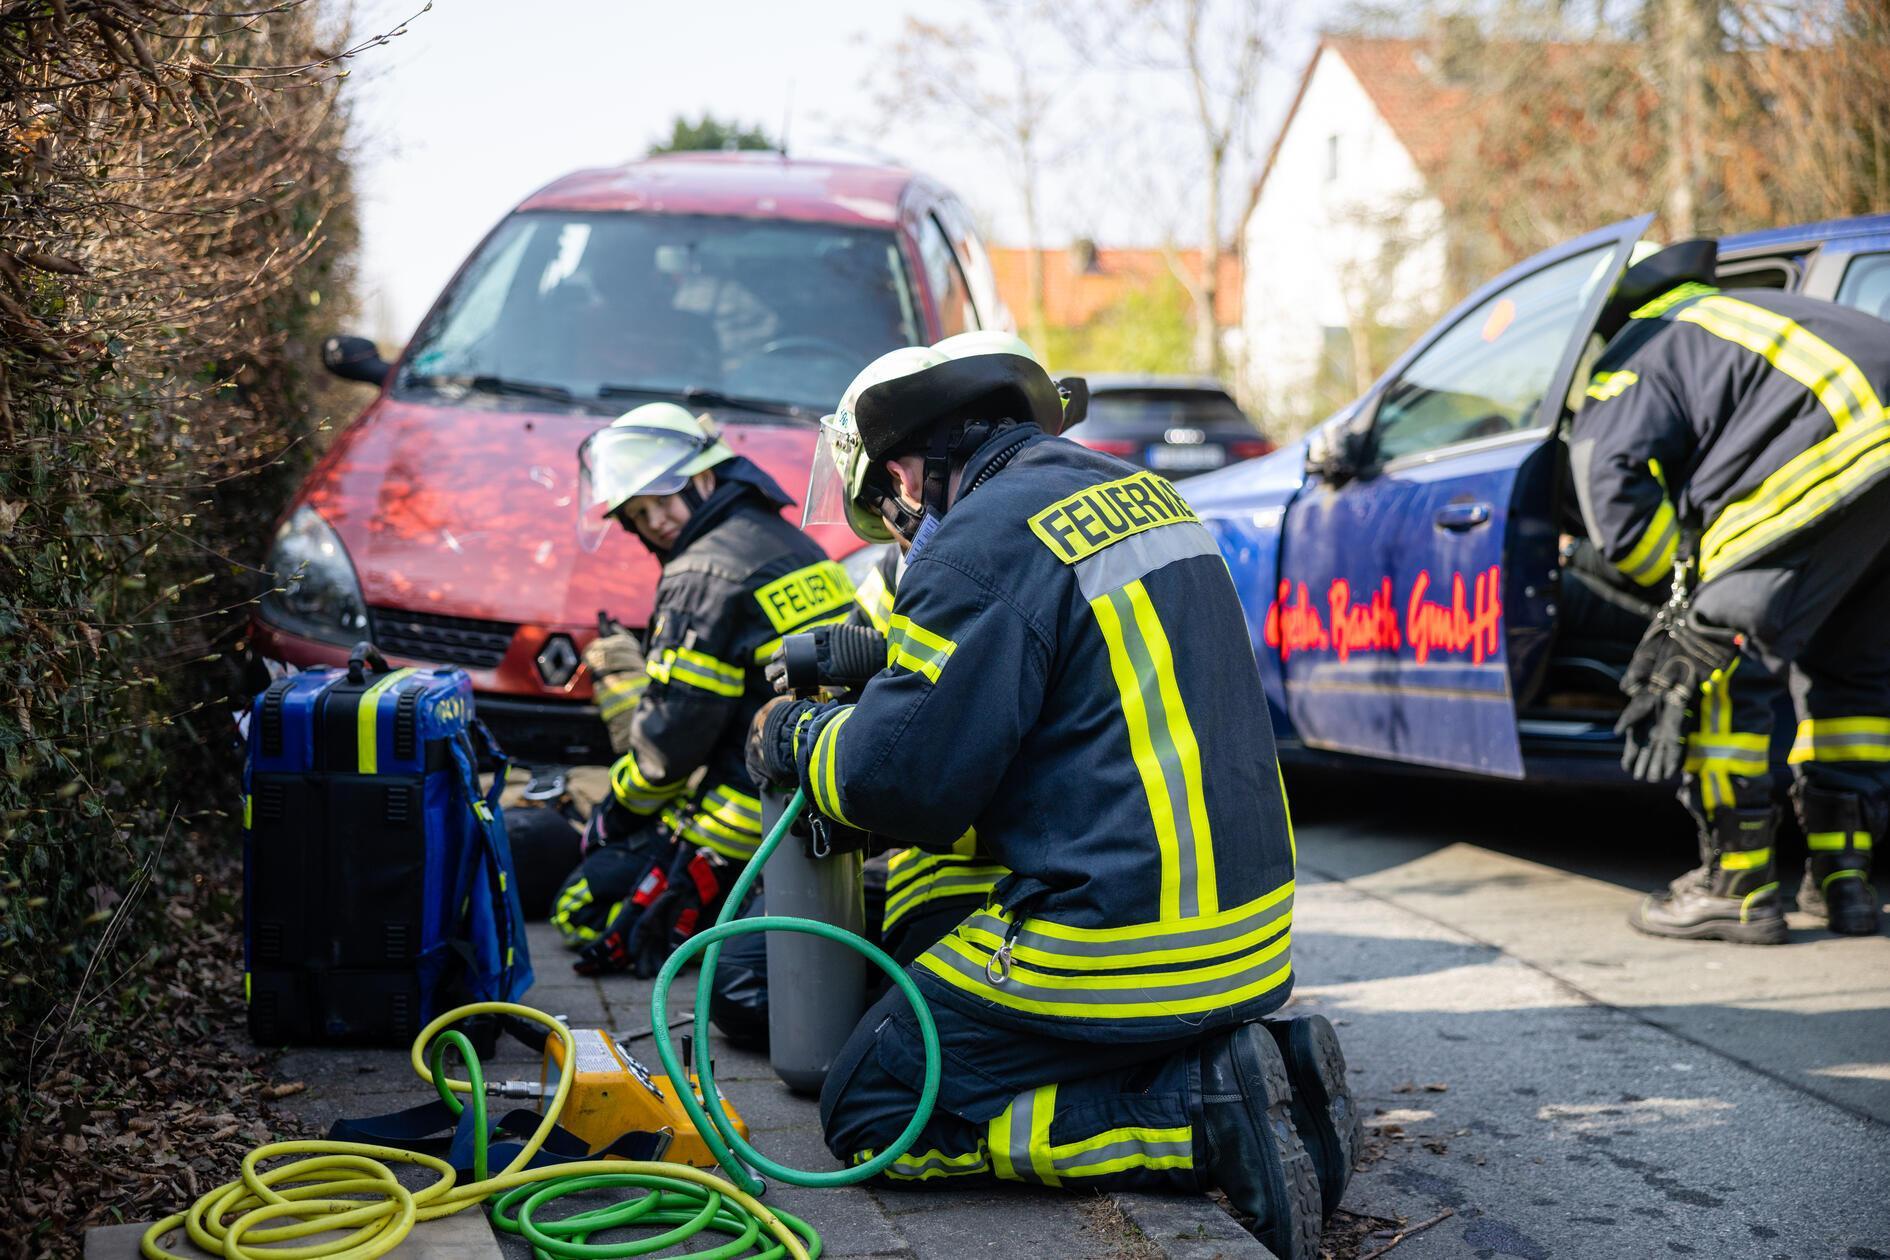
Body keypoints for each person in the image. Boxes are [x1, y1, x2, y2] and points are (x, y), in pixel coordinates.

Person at [747, 338, 1357, 1258]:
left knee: (876, 1102)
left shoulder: (984, 541)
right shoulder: (1137, 493)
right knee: (929, 950)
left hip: (1128, 945)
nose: (903, 536)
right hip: (1247, 934)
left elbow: (895, 784)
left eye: (892, 510)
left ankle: (1194, 1114)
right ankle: (1239, 1066)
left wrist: (792, 737)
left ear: (909, 474)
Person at [1569, 239, 1890, 942]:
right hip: (1873, 465)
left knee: (1713, 667)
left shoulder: (1642, 342)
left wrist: (1680, 599)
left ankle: (1736, 890)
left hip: (1838, 444)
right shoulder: (1732, 317)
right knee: (1853, 683)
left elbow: (1609, 478)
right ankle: (1846, 886)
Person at [552, 403, 854, 977]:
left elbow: (669, 749)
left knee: (579, 910)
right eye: (639, 514)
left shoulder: (700, 572)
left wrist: (614, 816)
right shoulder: (778, 537)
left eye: (662, 501)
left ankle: (724, 915)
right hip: (836, 783)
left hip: (760, 800)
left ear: (705, 479)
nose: (656, 523)